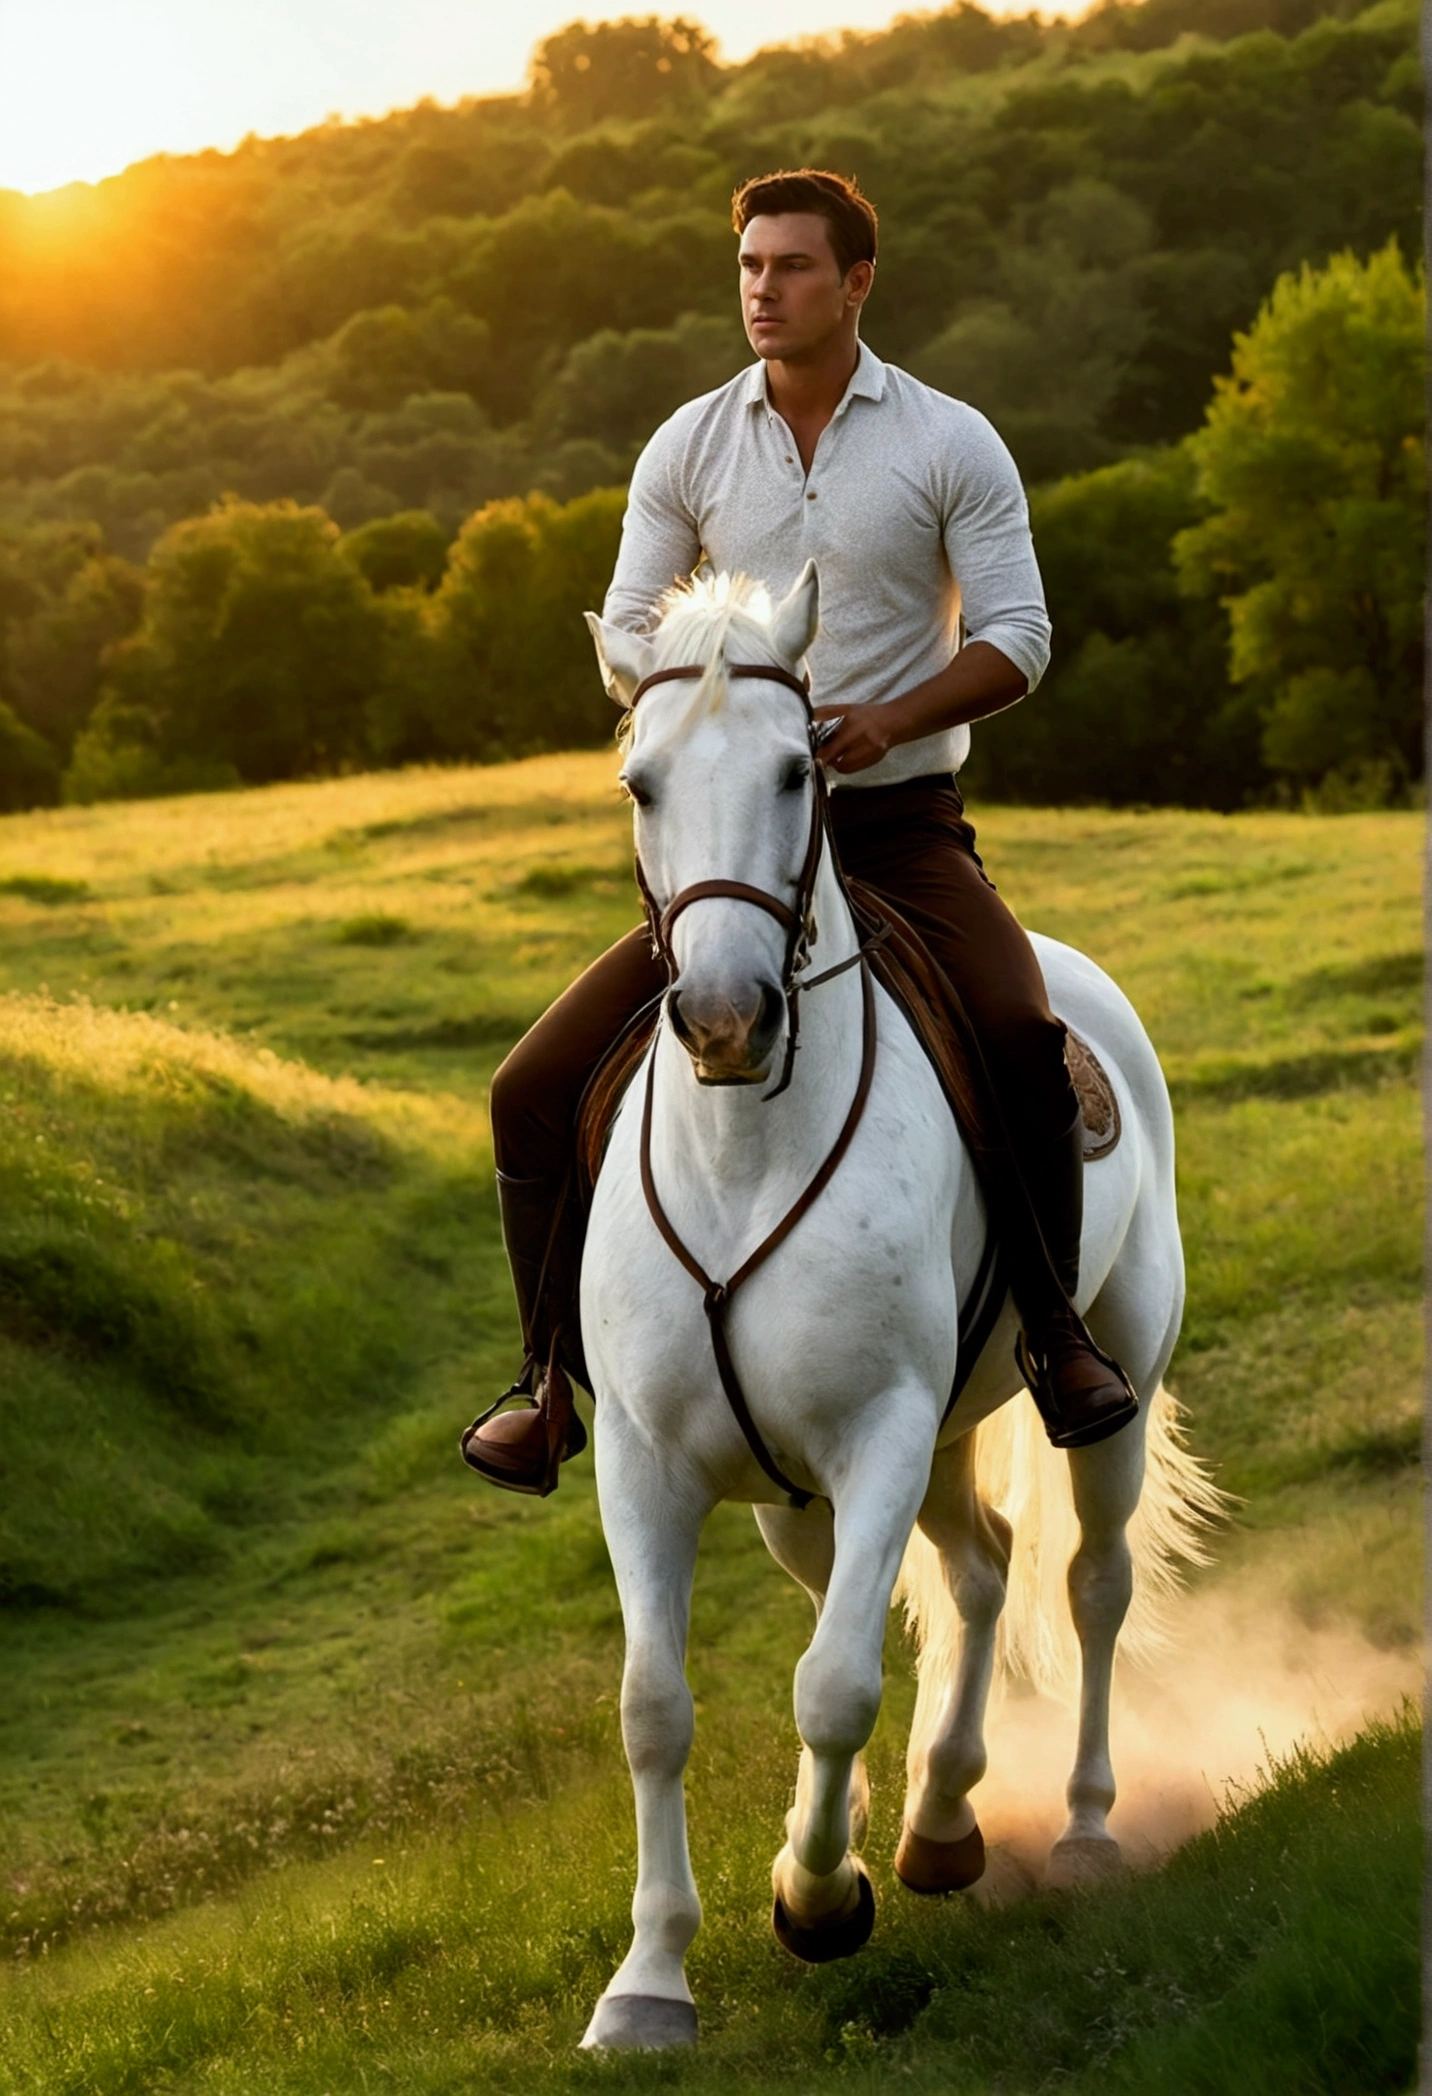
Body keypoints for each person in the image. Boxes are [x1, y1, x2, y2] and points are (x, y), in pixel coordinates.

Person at [462, 167, 1137, 1496]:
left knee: (1015, 1035)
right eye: (749, 268)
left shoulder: (950, 441)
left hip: (901, 834)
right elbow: (635, 636)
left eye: (792, 268)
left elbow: (1019, 639)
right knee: (528, 1090)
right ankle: (547, 1385)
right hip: (740, 849)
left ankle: (1057, 1339)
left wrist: (889, 720)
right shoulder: (687, 447)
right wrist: (702, 716)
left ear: (858, 282)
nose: (763, 291)